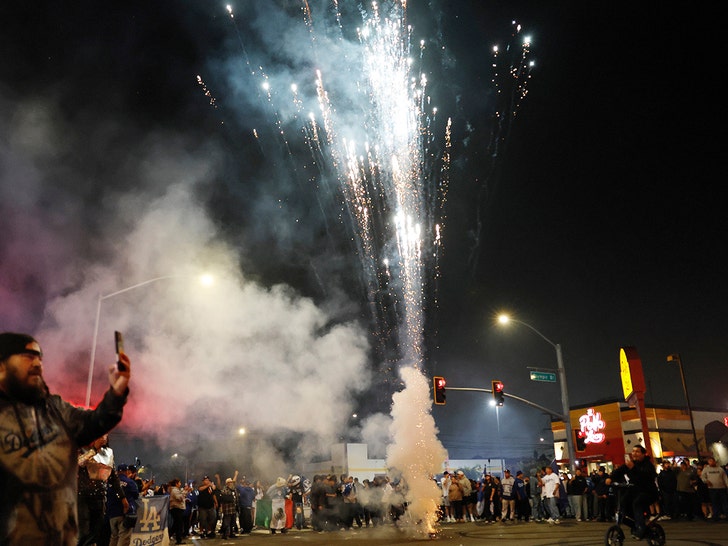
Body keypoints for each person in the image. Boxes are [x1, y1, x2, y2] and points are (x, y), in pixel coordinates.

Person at [0, 332, 130, 545]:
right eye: (27, 356)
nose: (37, 364)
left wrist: (117, 392)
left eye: (39, 358)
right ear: (2, 365)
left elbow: (95, 422)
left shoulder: (54, 408)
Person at [612, 445, 659, 540]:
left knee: (637, 502)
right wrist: (609, 478)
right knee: (622, 504)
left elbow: (644, 478)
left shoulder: (648, 465)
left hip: (648, 492)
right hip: (635, 492)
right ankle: (635, 524)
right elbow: (618, 472)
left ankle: (641, 527)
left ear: (643, 454)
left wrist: (633, 469)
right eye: (633, 451)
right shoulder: (631, 464)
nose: (634, 453)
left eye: (637, 451)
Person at [701, 456, 728, 520]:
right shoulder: (706, 469)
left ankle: (726, 514)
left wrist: (727, 484)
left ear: (714, 462)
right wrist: (706, 481)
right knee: (714, 502)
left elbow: (725, 478)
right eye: (710, 461)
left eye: (712, 461)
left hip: (721, 488)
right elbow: (703, 477)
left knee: (724, 502)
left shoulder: (720, 469)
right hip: (712, 488)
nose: (711, 462)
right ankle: (716, 515)